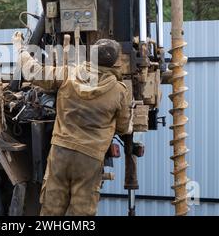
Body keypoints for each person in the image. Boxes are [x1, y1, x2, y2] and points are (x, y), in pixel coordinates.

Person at [12, 32, 133, 216]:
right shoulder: (119, 91)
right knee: (82, 212)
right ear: (116, 62)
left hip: (61, 152)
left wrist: (19, 48)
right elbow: (124, 128)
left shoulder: (68, 74)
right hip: (90, 157)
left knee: (51, 208)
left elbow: (33, 72)